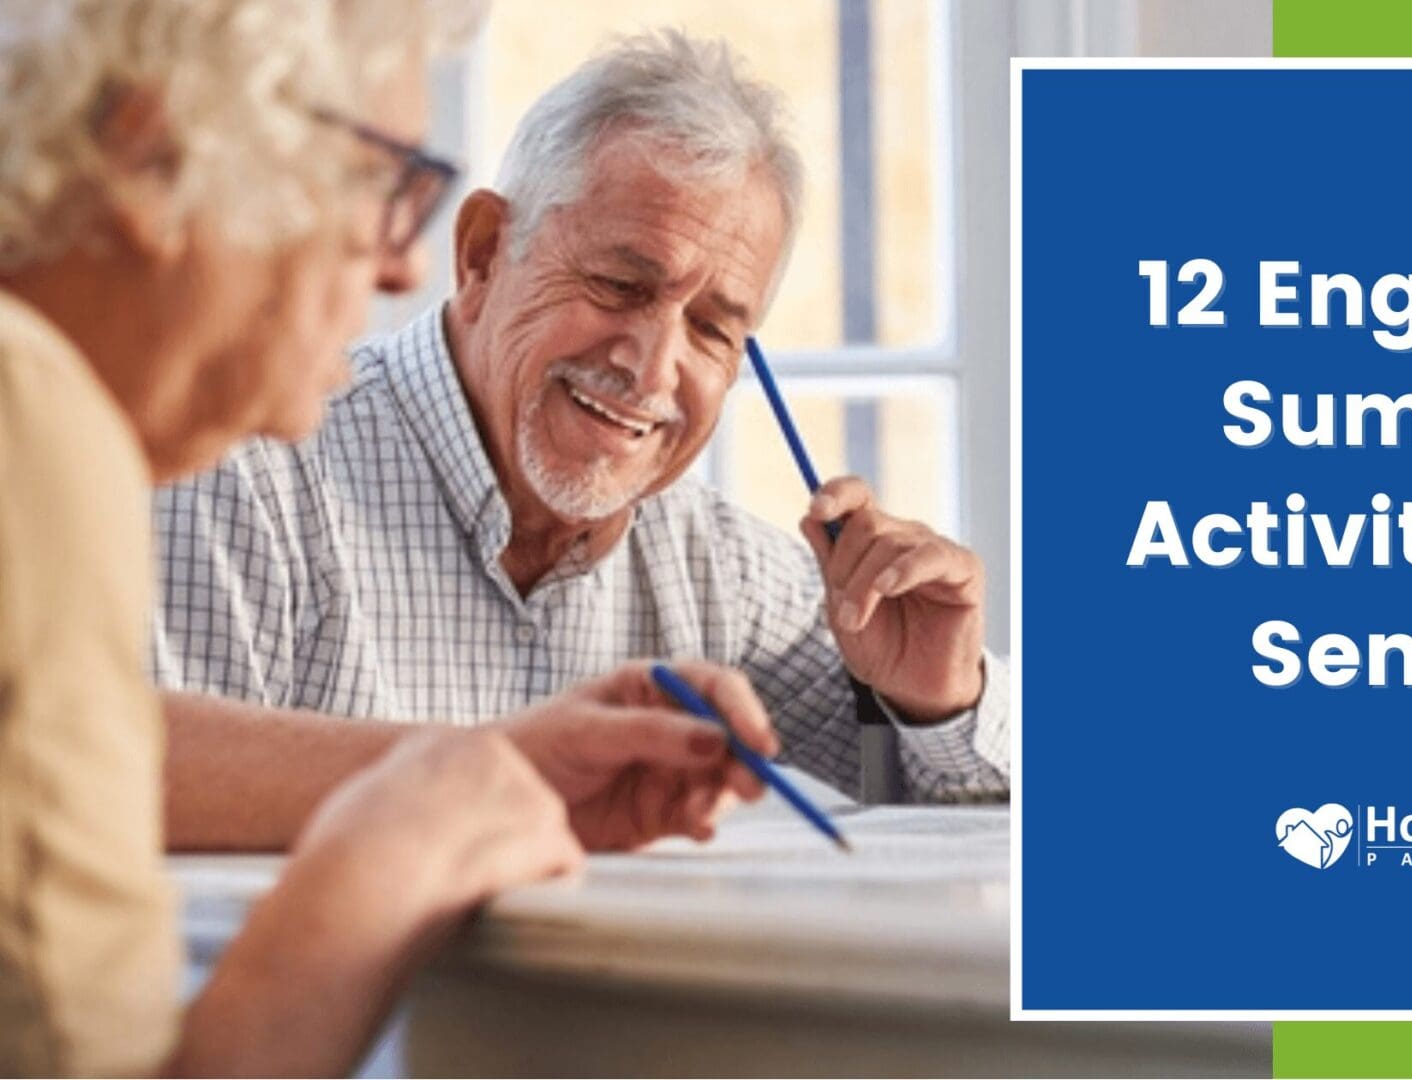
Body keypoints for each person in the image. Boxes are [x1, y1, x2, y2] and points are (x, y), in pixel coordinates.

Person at [0, 3, 772, 1074]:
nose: (401, 270)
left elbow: (77, 755)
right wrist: (385, 867)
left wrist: (481, 765)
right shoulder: (29, 419)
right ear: (151, 154)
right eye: (381, 182)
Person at [151, 28, 1011, 846]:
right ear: (484, 252)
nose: (652, 368)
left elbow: (1017, 808)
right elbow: (132, 835)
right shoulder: (246, 481)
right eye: (617, 285)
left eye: (713, 329)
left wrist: (940, 701)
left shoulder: (720, 568)